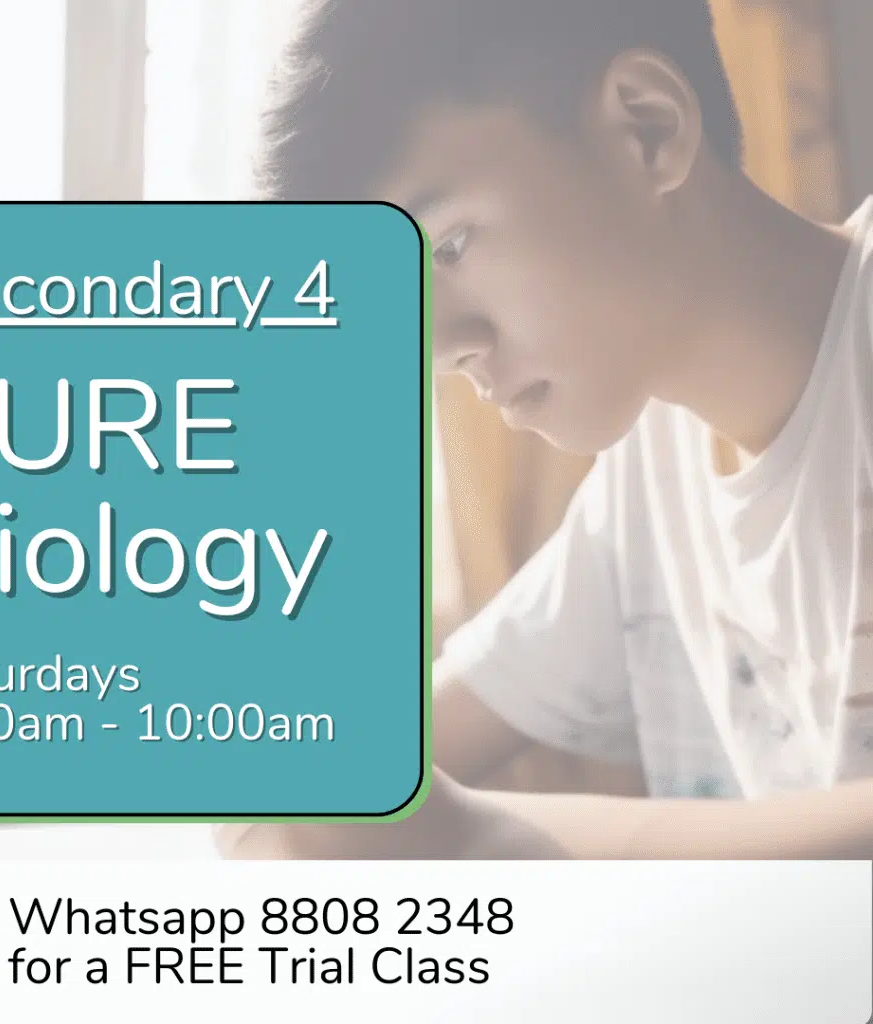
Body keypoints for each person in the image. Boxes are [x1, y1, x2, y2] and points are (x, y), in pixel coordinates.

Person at [217, 0, 873, 859]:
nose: (442, 348)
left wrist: (481, 841)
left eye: (448, 248)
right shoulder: (654, 470)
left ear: (647, 127)